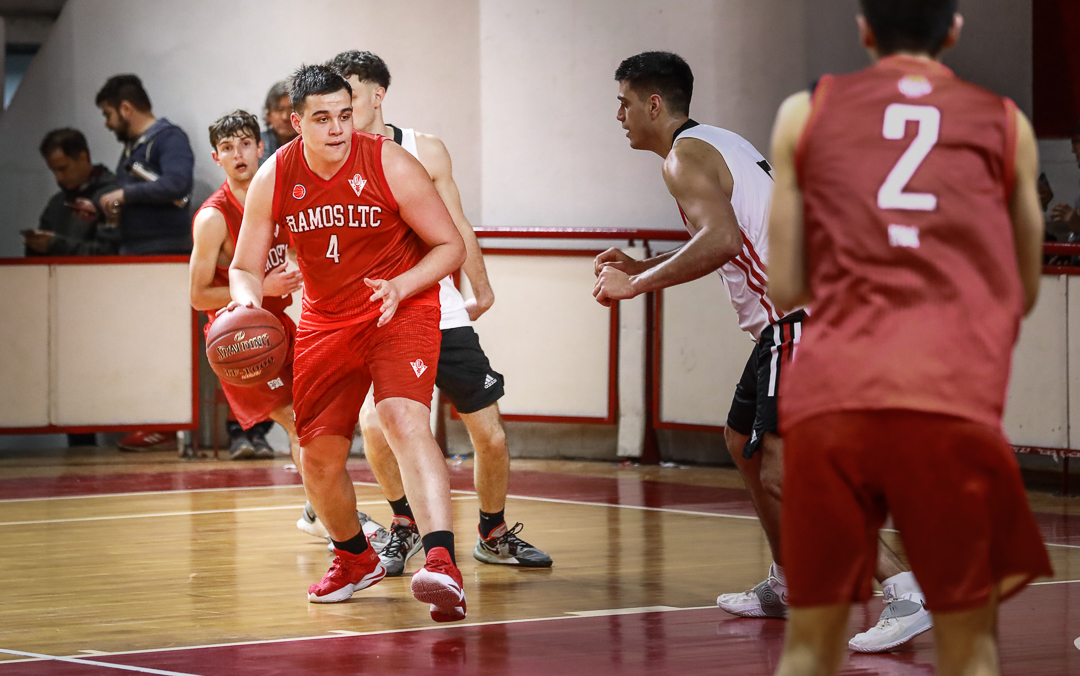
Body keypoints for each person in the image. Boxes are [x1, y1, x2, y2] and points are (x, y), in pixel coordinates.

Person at [593, 50, 930, 653]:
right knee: (740, 441)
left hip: (800, 319)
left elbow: (720, 240)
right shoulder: (713, 142)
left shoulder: (682, 159)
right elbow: (731, 229)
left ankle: (904, 591)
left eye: (623, 102)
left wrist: (636, 282)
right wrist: (644, 263)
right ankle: (789, 582)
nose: (616, 114)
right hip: (798, 317)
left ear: (653, 103)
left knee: (785, 469)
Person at [765, 2, 1053, 674]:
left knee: (810, 643)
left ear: (863, 27)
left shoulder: (805, 113)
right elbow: (1025, 285)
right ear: (954, 28)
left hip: (836, 391)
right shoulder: (1006, 122)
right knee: (968, 643)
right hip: (947, 394)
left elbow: (787, 285)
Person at [227, 65, 468, 621]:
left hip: (398, 307)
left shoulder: (390, 162)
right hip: (324, 321)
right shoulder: (274, 174)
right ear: (296, 122)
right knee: (317, 457)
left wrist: (402, 285)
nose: (338, 128)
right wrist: (246, 302)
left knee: (403, 419)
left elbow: (449, 246)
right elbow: (244, 265)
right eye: (322, 118)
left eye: (344, 114)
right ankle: (355, 558)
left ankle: (441, 563)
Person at [320, 49, 551, 577]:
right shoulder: (331, 154)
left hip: (437, 307)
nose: (340, 109)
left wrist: (482, 286)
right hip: (373, 314)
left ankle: (492, 532)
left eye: (349, 96)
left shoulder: (424, 149)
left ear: (377, 96)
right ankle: (404, 525)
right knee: (376, 430)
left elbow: (458, 223)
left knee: (489, 434)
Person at [188, 110, 303, 462]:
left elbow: (296, 253)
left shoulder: (279, 199)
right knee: (299, 423)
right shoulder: (213, 218)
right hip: (240, 338)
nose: (237, 154)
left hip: (280, 326)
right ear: (216, 157)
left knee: (321, 418)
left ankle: (317, 508)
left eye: (245, 144)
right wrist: (263, 288)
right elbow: (197, 296)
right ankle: (325, 514)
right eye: (227, 147)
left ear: (260, 147)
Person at [96, 74, 196, 452]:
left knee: (162, 342)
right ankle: (153, 419)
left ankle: (166, 424)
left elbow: (177, 185)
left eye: (108, 114)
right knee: (143, 342)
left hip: (163, 253)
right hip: (138, 253)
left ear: (125, 108)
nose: (106, 123)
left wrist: (125, 192)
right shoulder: (134, 147)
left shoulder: (169, 139)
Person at [24, 128, 120, 258]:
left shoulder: (112, 196)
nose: (58, 178)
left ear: (83, 157)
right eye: (53, 171)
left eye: (63, 169)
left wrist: (56, 245)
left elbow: (108, 253)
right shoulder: (56, 203)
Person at [259, 80, 297, 165]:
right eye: (279, 109)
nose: (285, 117)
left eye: (291, 109)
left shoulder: (311, 143)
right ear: (268, 114)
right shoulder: (256, 144)